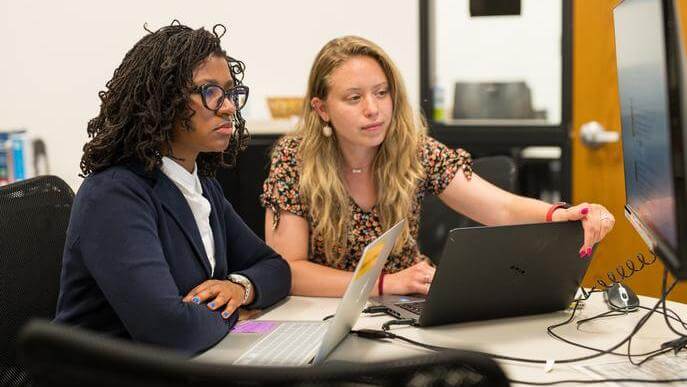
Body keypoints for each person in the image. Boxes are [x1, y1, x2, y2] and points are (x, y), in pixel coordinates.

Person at [261, 36, 615, 298]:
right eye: (354, 98)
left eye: (382, 93)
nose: (373, 109)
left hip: (405, 305)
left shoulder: (411, 150)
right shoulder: (295, 159)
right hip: (325, 311)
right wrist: (383, 283)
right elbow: (288, 269)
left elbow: (502, 208)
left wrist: (561, 214)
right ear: (322, 109)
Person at [54, 22, 291, 354]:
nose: (229, 107)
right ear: (162, 99)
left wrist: (239, 288)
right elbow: (171, 333)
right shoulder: (113, 195)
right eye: (210, 91)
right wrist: (233, 314)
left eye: (231, 92)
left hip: (196, 364)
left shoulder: (202, 185)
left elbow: (275, 269)